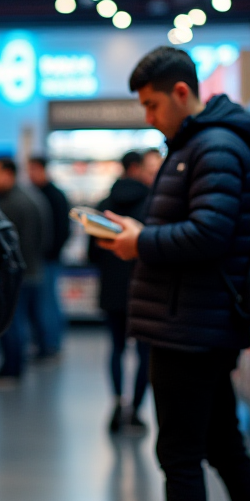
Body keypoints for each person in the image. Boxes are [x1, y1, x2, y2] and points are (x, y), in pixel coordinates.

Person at [99, 47, 250, 501]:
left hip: (190, 326)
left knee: (181, 456)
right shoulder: (198, 147)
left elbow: (208, 233)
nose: (148, 116)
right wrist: (145, 232)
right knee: (225, 449)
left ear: (183, 93)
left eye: (153, 103)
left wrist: (140, 242)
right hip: (196, 321)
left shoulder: (211, 148)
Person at [88, 149, 161, 432]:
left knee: (116, 348)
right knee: (144, 352)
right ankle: (137, 410)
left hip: (112, 290)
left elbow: (91, 254)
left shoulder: (103, 204)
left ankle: (118, 403)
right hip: (144, 290)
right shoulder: (152, 203)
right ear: (138, 169)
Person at [0, 156, 50, 380]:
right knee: (25, 320)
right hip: (30, 269)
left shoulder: (12, 203)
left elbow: (5, 245)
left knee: (12, 324)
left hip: (16, 274)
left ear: (7, 174)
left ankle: (11, 369)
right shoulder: (28, 197)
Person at [28, 155, 69, 357]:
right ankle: (43, 343)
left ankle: (51, 344)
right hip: (39, 259)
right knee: (41, 304)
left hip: (48, 259)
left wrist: (52, 252)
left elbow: (63, 229)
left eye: (33, 170)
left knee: (48, 303)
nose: (30, 175)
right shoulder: (35, 194)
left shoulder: (55, 196)